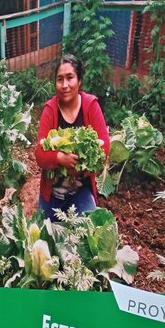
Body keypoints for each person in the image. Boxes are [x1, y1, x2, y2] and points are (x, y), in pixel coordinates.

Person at [33, 54, 111, 220]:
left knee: (87, 232)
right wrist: (59, 158)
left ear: (79, 81)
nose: (64, 85)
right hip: (52, 192)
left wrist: (77, 167)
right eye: (60, 79)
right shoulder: (50, 110)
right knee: (45, 238)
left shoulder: (91, 106)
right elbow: (40, 155)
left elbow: (104, 147)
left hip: (81, 190)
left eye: (70, 78)